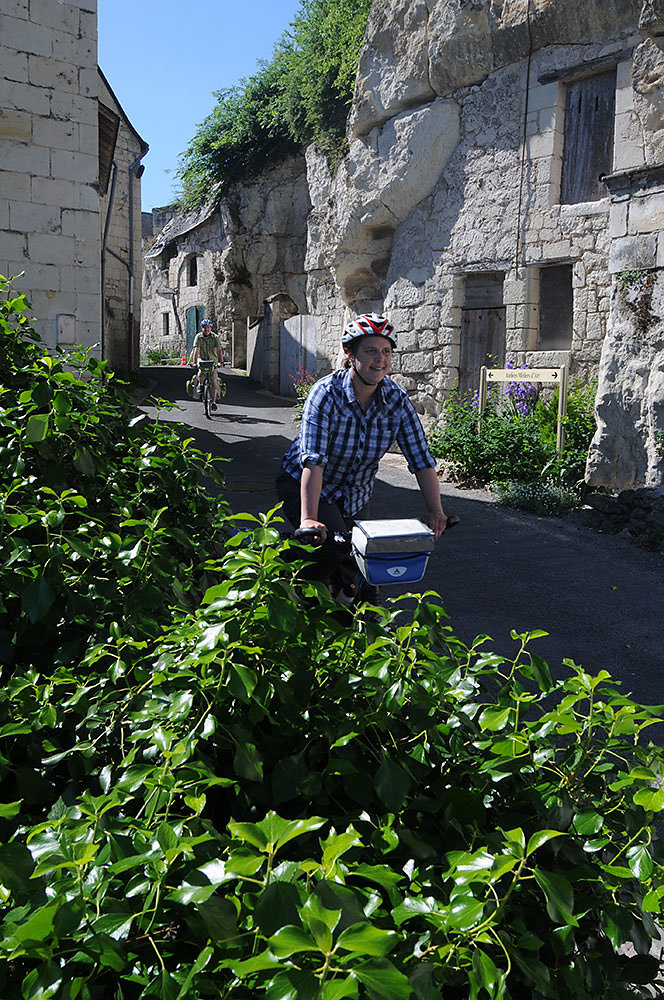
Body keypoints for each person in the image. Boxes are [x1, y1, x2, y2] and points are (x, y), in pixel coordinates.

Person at [276, 313, 447, 585]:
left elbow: (421, 460)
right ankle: (292, 591)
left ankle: (352, 616)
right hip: (307, 485)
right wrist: (309, 519)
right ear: (350, 353)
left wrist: (436, 512)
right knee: (331, 549)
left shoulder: (396, 399)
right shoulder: (326, 394)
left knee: (365, 558)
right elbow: (313, 462)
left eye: (386, 351)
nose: (379, 359)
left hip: (356, 493)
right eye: (370, 351)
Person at [191, 319, 224, 410]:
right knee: (201, 372)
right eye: (205, 328)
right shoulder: (198, 337)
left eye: (208, 328)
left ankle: (213, 402)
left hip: (213, 360)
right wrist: (194, 362)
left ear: (211, 328)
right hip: (202, 359)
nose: (207, 329)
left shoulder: (215, 337)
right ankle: (200, 385)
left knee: (214, 382)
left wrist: (221, 362)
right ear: (202, 328)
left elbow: (219, 350)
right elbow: (196, 350)